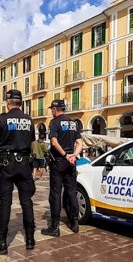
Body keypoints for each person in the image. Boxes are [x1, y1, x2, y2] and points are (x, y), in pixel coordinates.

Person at [0, 89, 36, 254]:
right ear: (21, 103)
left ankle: (1, 243)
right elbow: (32, 144)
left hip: (7, 164)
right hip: (25, 164)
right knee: (26, 202)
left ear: (8, 103)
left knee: (5, 202)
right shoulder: (29, 120)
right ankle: (30, 239)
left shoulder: (3, 118)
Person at [41, 99, 83, 237]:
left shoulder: (54, 122)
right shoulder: (74, 123)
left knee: (55, 194)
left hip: (59, 162)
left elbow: (53, 142)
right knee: (71, 192)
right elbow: (80, 143)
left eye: (51, 110)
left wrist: (65, 155)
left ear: (54, 109)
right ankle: (75, 223)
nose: (51, 112)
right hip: (71, 163)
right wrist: (74, 155)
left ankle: (54, 226)